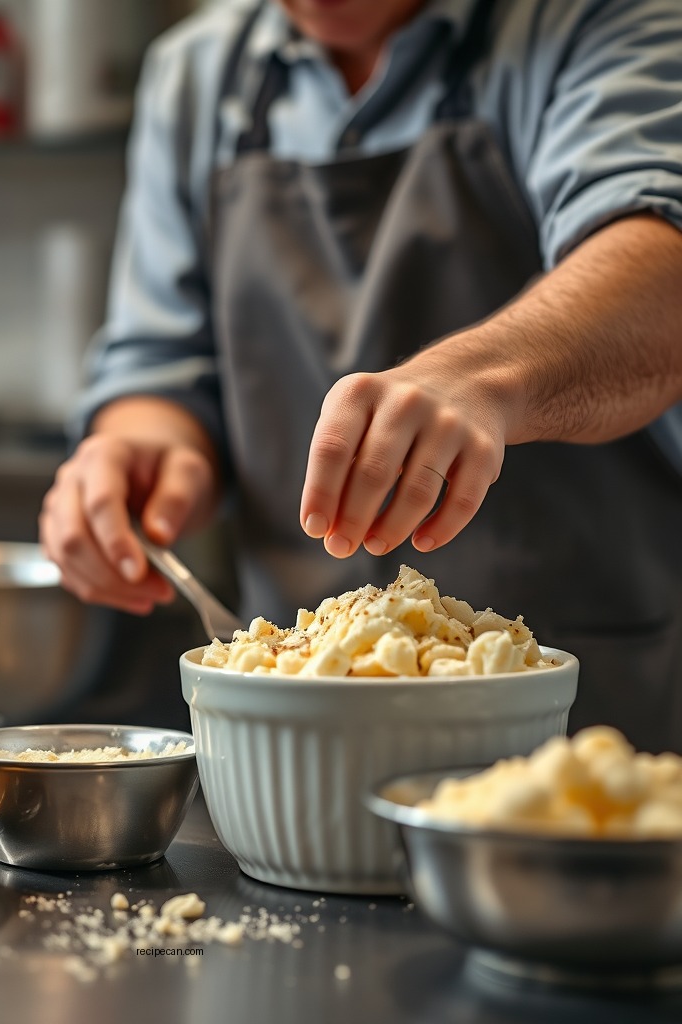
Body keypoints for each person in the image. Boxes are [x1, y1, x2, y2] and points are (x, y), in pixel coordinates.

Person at [39, 0, 682, 751]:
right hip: (295, 723)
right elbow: (161, 365)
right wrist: (145, 446)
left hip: (591, 729)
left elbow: (660, 273)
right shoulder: (195, 76)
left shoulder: (599, 19)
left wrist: (484, 378)